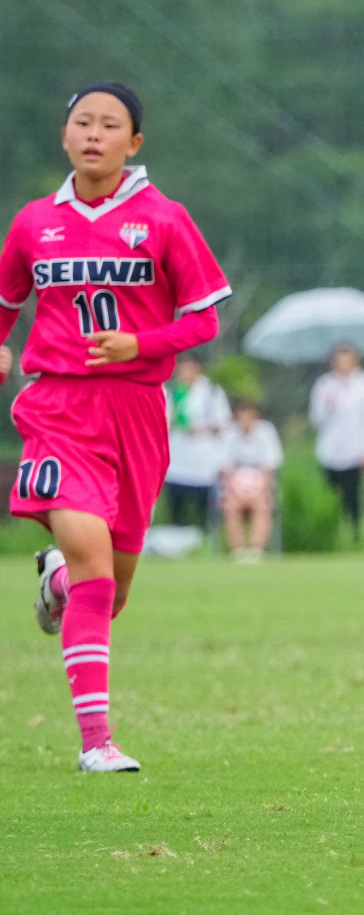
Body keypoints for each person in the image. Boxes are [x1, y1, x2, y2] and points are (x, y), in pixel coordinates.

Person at [0, 82, 230, 772]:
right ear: (64, 135)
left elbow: (205, 318)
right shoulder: (33, 223)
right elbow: (5, 300)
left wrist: (143, 343)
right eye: (82, 123)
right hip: (58, 410)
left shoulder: (164, 219)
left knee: (112, 589)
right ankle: (96, 744)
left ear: (134, 144)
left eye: (111, 126)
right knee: (96, 567)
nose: (94, 134)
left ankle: (56, 583)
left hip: (137, 415)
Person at [308, 344, 364, 545]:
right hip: (330, 449)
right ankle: (331, 536)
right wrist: (328, 404)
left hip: (356, 450)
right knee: (331, 497)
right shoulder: (325, 385)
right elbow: (316, 418)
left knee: (354, 496)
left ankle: (356, 536)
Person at [163, 356, 231, 530]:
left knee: (204, 504)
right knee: (177, 502)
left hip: (204, 456)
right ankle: (176, 538)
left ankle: (205, 537)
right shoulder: (172, 391)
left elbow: (223, 422)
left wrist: (200, 428)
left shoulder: (212, 392)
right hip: (178, 455)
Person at [218, 399, 284, 562]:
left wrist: (261, 489)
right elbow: (225, 468)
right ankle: (238, 551)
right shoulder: (228, 433)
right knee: (230, 506)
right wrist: (233, 489)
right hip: (234, 487)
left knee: (262, 506)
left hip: (260, 486)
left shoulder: (266, 432)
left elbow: (270, 467)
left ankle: (255, 550)